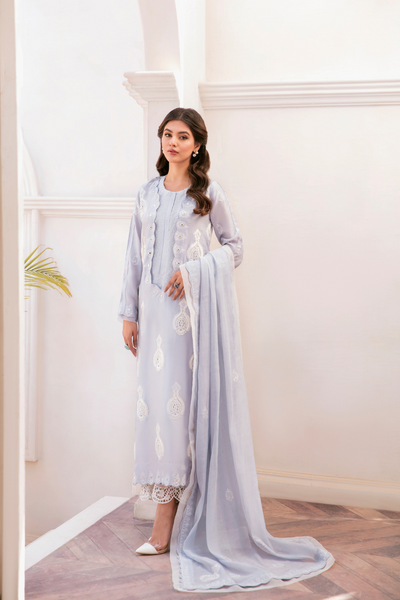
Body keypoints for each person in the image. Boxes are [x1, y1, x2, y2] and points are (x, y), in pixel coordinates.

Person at [118, 107, 334, 593]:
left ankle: (173, 521)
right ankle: (165, 514)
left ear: (197, 145)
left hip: (189, 320)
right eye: (167, 134)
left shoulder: (208, 193)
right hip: (152, 316)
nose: (173, 142)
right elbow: (132, 255)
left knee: (181, 414)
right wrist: (128, 313)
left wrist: (193, 272)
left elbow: (235, 247)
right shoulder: (146, 194)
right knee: (156, 413)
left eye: (183, 136)